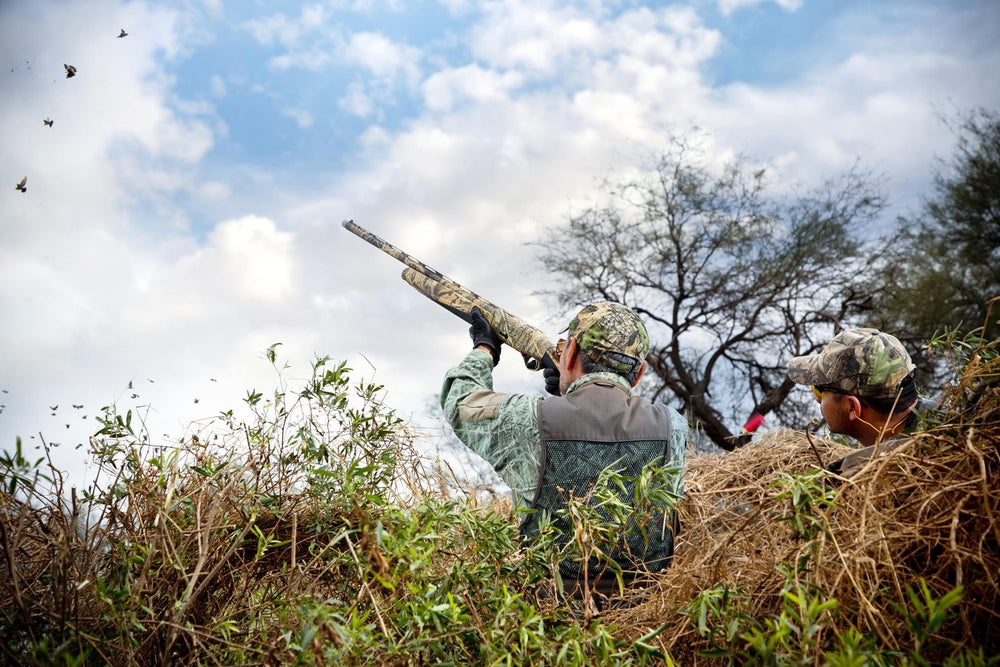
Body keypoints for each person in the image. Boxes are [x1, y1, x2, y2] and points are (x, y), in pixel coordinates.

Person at [441, 302, 687, 597]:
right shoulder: (673, 426)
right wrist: (569, 389)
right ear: (639, 373)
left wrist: (484, 348)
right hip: (647, 616)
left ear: (569, 352)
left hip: (549, 622)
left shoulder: (530, 417)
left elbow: (461, 403)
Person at [786, 328, 927, 479]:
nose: (817, 399)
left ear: (852, 407)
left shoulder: (854, 484)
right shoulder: (945, 419)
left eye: (819, 389)